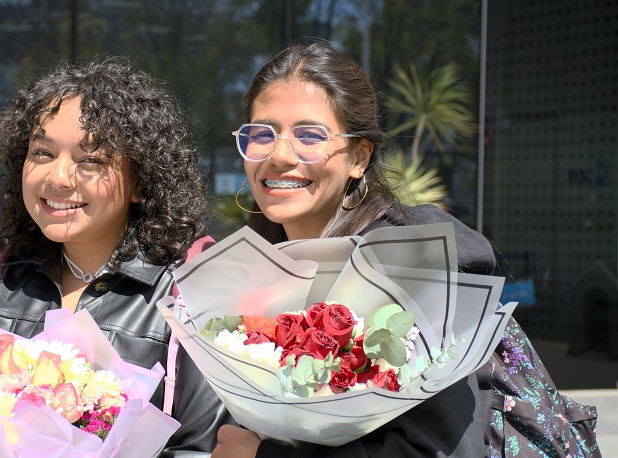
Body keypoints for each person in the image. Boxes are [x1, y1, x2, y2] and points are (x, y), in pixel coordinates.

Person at [0, 56, 232, 457]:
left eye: (91, 160)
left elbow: (202, 448)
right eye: (43, 153)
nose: (58, 177)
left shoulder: (188, 297)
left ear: (141, 182)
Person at [212, 41, 496, 457]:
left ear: (360, 157)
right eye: (261, 134)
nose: (279, 155)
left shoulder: (410, 262)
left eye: (310, 135)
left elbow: (440, 451)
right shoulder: (257, 263)